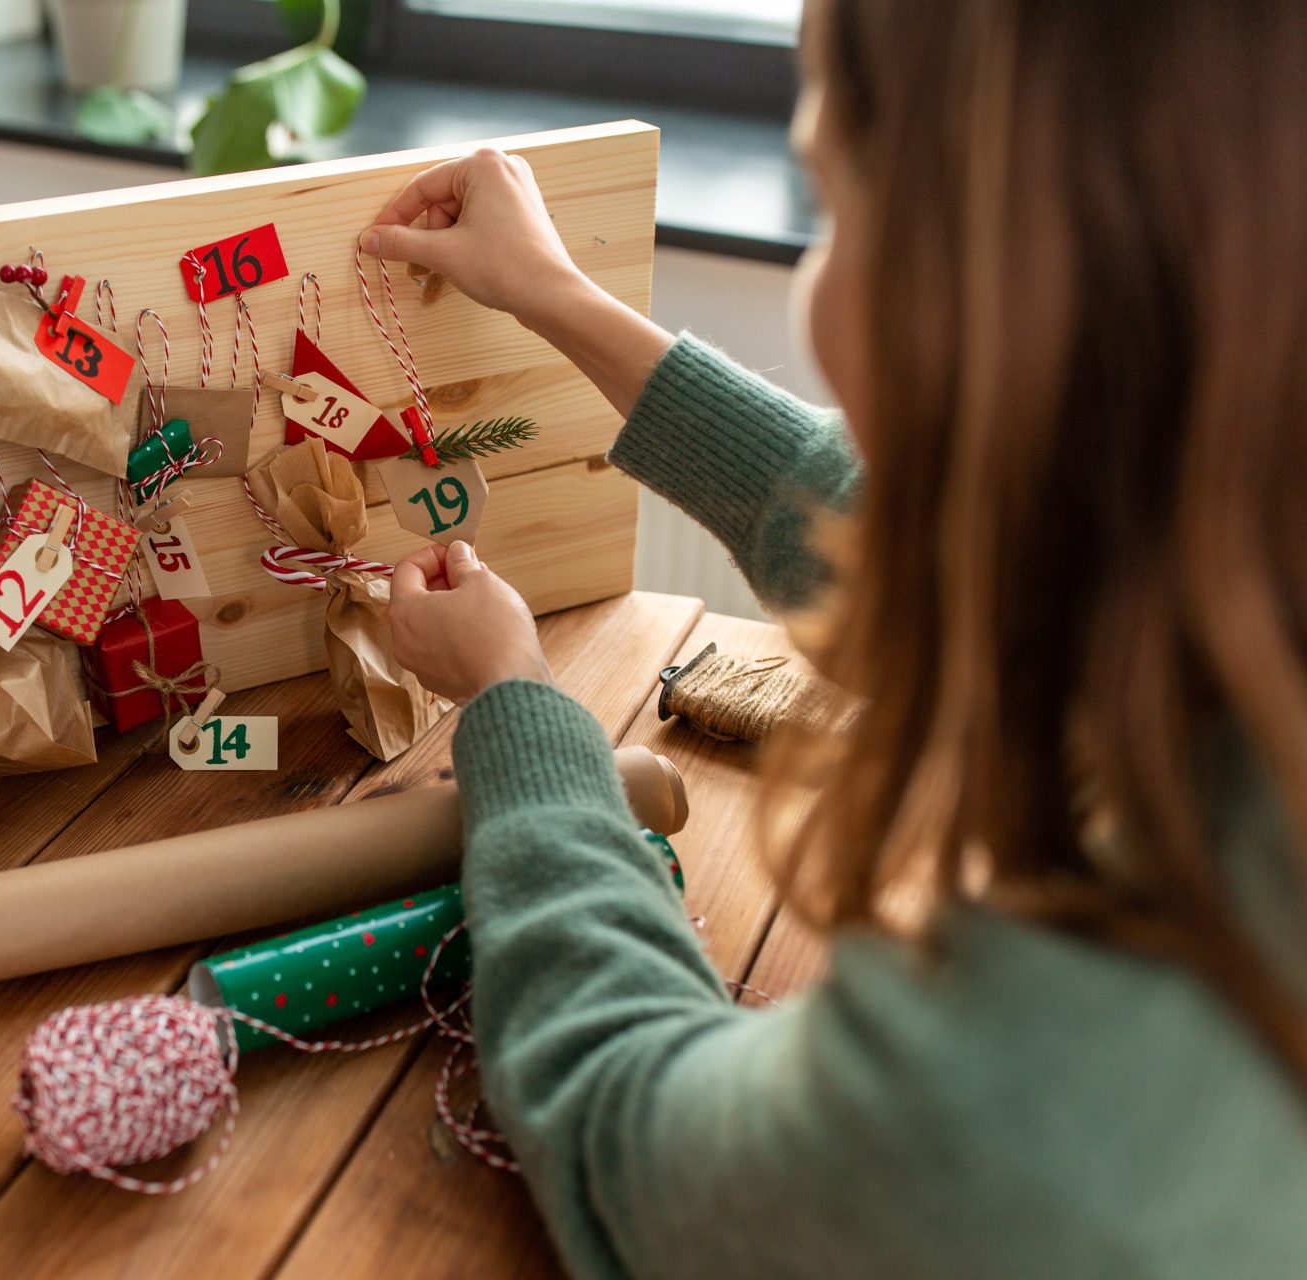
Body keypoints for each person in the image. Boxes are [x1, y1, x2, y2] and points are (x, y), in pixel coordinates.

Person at [366, 1, 1307, 1275]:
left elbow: (633, 1124)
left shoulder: (1029, 1092)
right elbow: (970, 571)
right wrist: (557, 298)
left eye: (835, 204)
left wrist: (517, 703)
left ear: (998, 279)